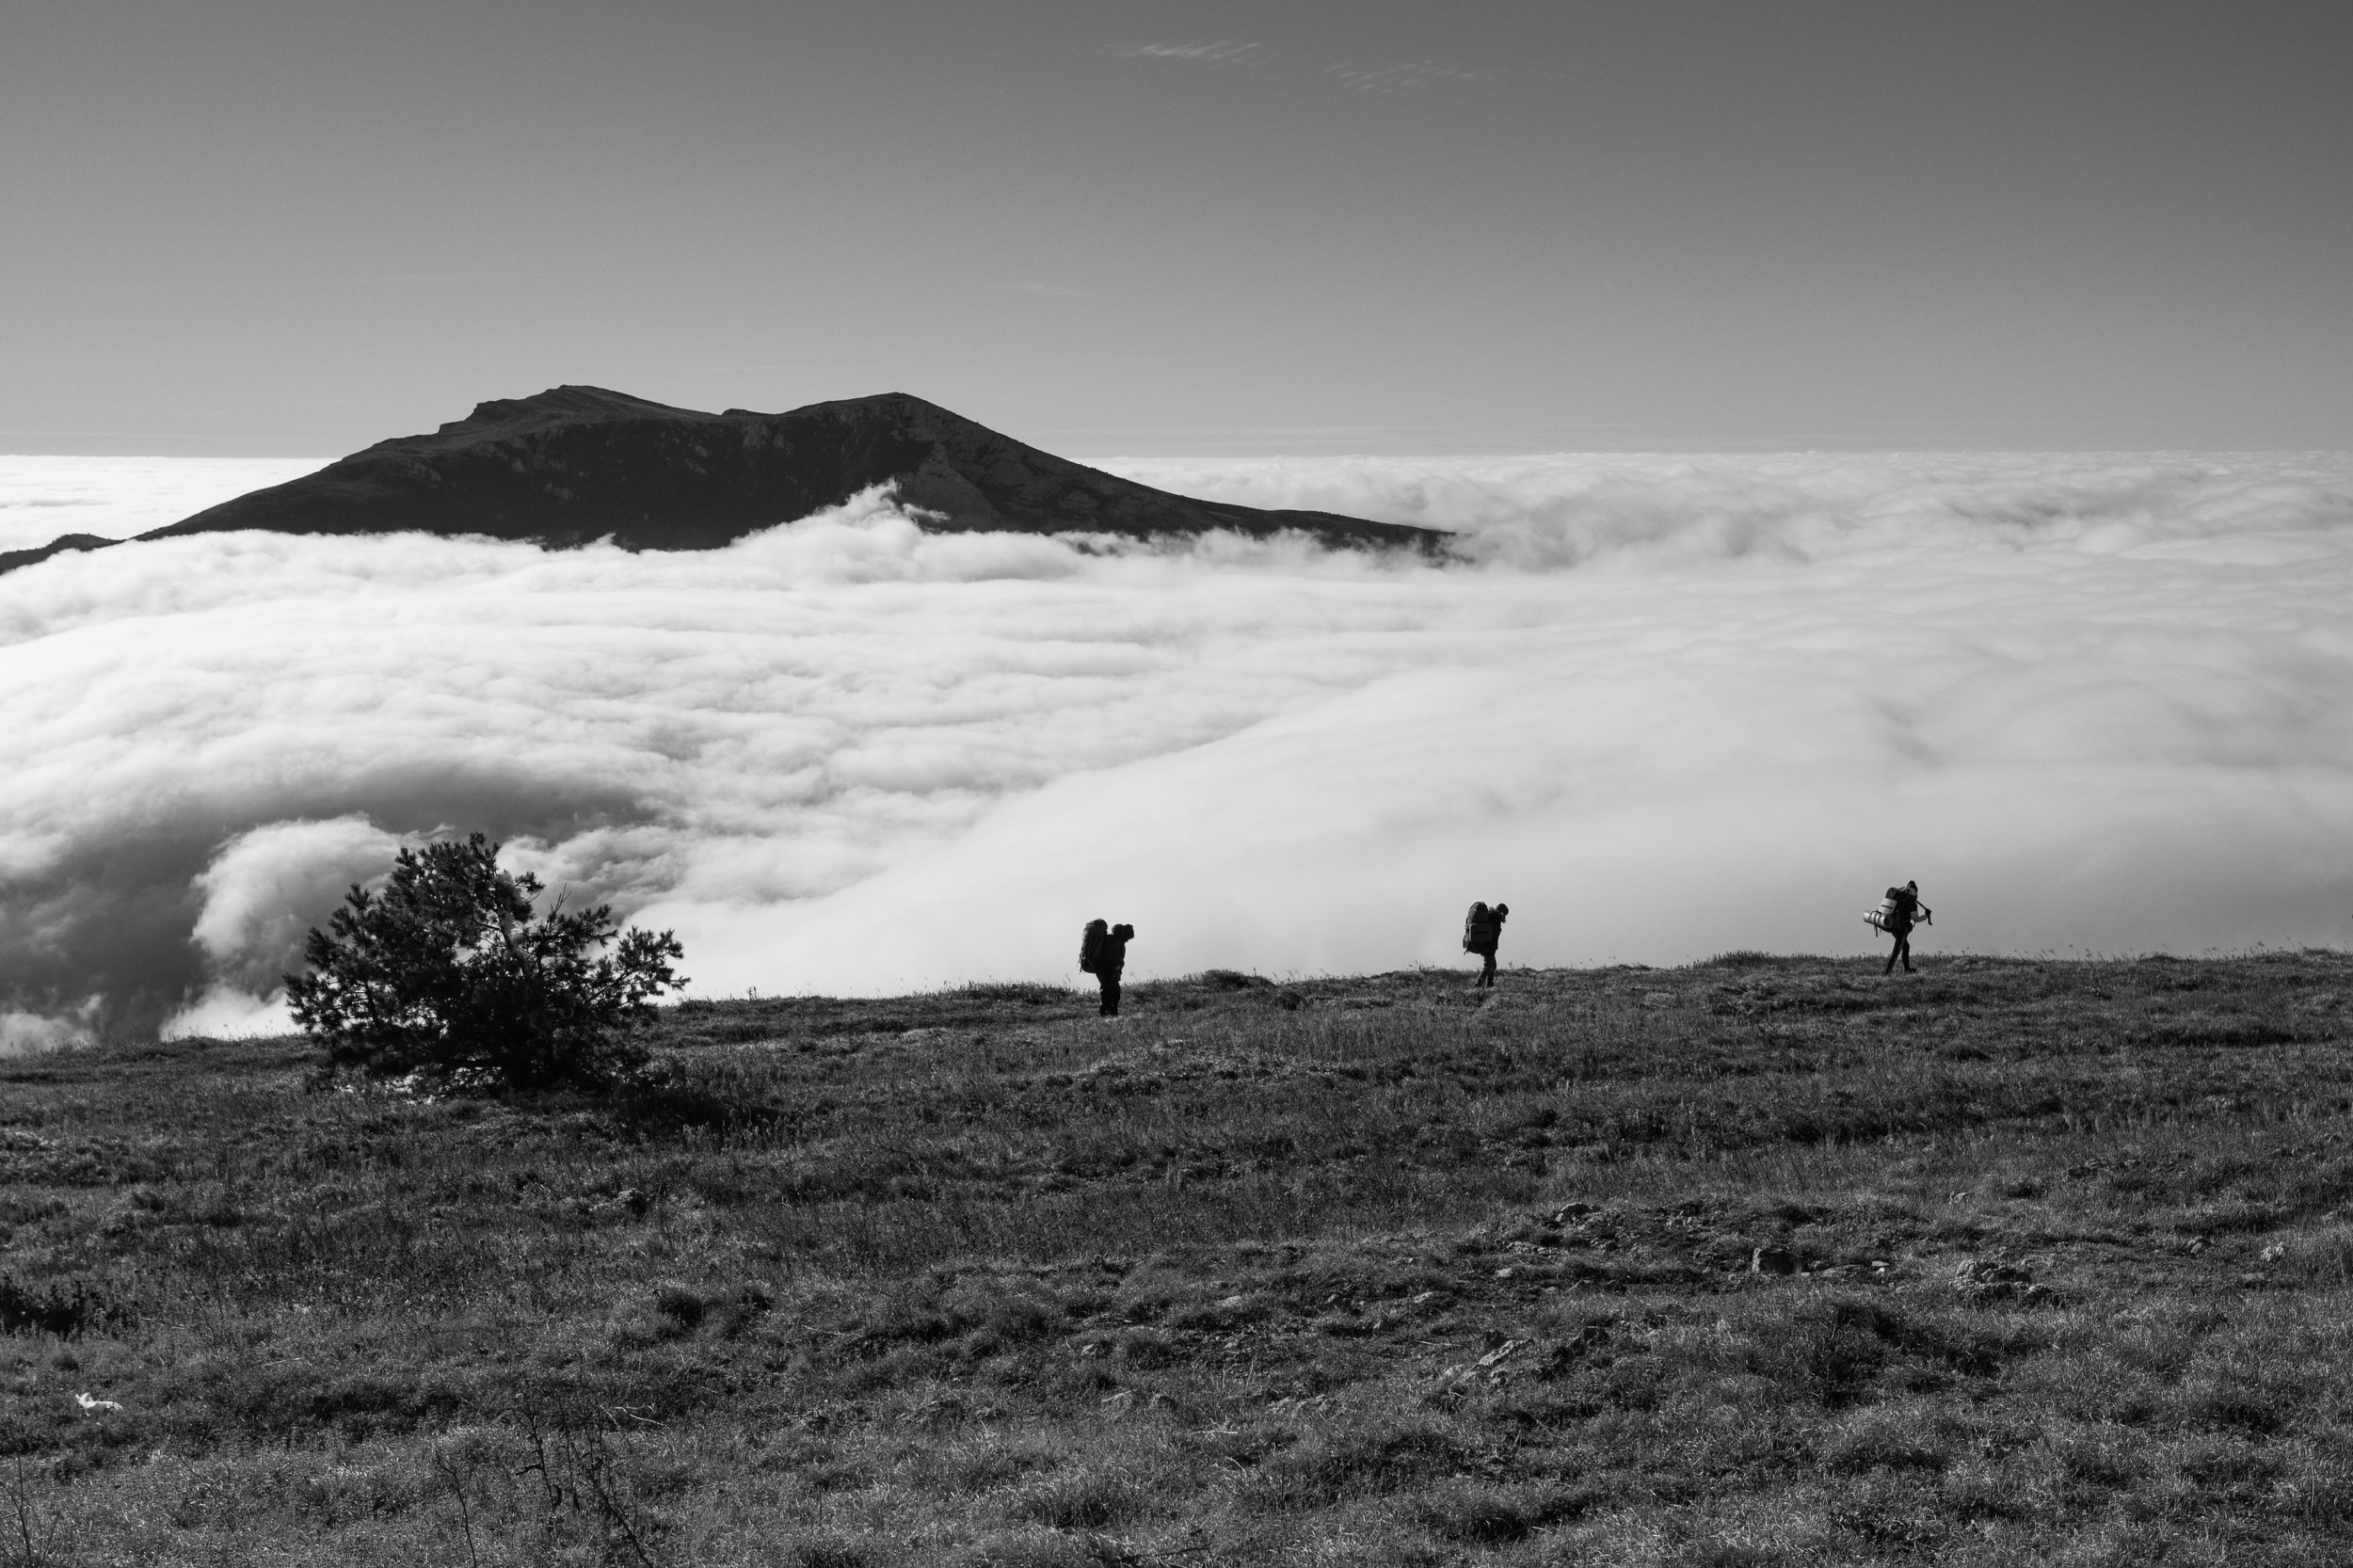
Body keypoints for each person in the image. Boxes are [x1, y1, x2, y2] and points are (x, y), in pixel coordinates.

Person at [1881, 881, 1929, 975]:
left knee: (1906, 946)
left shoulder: (1900, 897)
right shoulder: (1912, 903)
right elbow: (1916, 919)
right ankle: (1887, 973)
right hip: (1901, 929)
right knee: (1897, 950)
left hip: (1893, 925)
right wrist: (1926, 916)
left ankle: (1907, 969)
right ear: (1915, 892)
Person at [1465, 902, 1510, 988]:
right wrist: (1490, 949)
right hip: (1488, 948)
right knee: (1488, 967)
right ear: (1502, 913)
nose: (1505, 917)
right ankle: (1477, 986)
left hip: (1487, 947)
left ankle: (1490, 984)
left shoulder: (1491, 916)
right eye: (1505, 914)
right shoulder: (1496, 919)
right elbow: (1493, 936)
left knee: (1493, 966)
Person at [1096, 921, 1134, 1017]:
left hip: (1101, 968)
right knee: (1113, 991)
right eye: (1128, 938)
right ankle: (1109, 1011)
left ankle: (1107, 1010)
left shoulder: (1110, 938)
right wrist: (1117, 966)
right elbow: (1113, 958)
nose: (1127, 941)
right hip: (1108, 970)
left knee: (1108, 990)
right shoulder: (1116, 941)